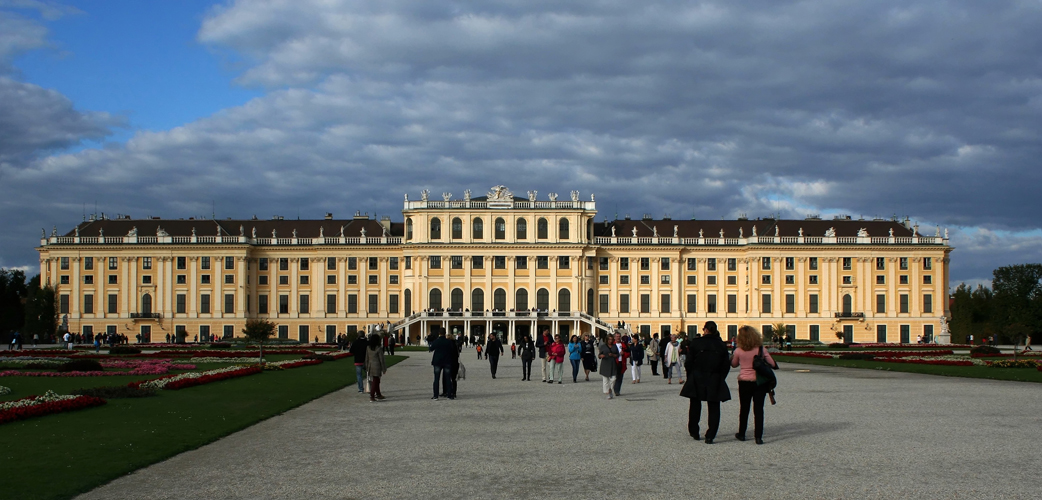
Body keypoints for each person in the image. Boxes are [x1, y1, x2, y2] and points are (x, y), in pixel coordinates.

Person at [680, 321, 731, 443]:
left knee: (695, 405)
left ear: (706, 330)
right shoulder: (721, 345)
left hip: (697, 375)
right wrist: (721, 377)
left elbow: (689, 362)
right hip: (714, 376)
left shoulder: (696, 343)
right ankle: (710, 435)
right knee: (714, 406)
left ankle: (694, 431)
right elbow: (726, 365)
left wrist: (690, 375)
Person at [731, 325, 778, 445]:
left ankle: (742, 433)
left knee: (744, 408)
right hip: (759, 382)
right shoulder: (761, 350)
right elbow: (772, 364)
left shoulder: (738, 350)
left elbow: (734, 364)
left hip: (744, 382)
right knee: (758, 409)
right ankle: (758, 437)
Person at [429, 330, 455, 400]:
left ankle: (435, 396)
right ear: (445, 333)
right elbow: (452, 350)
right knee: (448, 379)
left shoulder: (436, 341)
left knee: (436, 379)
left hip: (437, 361)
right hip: (447, 361)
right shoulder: (449, 342)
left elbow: (431, 349)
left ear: (439, 333)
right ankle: (449, 395)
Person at [365, 333, 387, 402]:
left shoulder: (368, 347)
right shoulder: (378, 348)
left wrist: (367, 366)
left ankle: (378, 394)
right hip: (377, 366)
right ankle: (372, 395)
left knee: (376, 380)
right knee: (375, 381)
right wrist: (384, 368)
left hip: (370, 366)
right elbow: (381, 359)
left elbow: (367, 358)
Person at [598, 333, 620, 400]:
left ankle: (610, 389)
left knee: (613, 378)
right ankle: (607, 392)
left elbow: (617, 355)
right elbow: (599, 355)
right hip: (605, 363)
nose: (610, 341)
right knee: (605, 379)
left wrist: (613, 355)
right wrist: (601, 356)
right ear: (607, 340)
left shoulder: (614, 346)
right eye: (609, 339)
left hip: (612, 363)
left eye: (611, 339)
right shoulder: (603, 346)